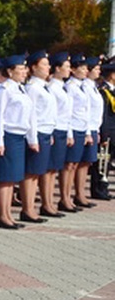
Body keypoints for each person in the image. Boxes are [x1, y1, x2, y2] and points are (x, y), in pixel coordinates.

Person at [0, 54, 37, 229]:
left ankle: (8, 214)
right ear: (10, 72)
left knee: (12, 178)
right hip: (8, 136)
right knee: (4, 178)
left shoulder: (20, 89)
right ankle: (2, 216)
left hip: (19, 137)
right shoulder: (4, 90)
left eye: (25, 69)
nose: (25, 72)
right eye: (21, 69)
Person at [21, 51, 55, 222]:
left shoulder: (43, 86)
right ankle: (27, 209)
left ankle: (31, 208)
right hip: (37, 132)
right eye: (44, 64)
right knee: (31, 173)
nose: (48, 67)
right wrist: (33, 138)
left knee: (37, 173)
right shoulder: (33, 88)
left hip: (45, 132)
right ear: (34, 67)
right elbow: (31, 115)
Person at [61, 54, 91, 213]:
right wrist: (70, 133)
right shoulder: (71, 87)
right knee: (68, 165)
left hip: (81, 127)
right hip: (72, 127)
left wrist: (87, 131)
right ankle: (64, 197)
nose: (86, 71)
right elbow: (69, 112)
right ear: (73, 70)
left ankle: (70, 196)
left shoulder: (82, 86)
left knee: (74, 164)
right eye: (82, 68)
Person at [46, 52, 73, 216]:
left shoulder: (62, 87)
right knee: (49, 169)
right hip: (54, 129)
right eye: (67, 66)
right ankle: (47, 203)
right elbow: (52, 113)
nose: (69, 70)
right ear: (57, 68)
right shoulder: (52, 88)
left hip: (63, 129)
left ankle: (52, 203)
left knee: (55, 168)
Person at [75, 56, 102, 208]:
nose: (98, 71)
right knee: (79, 163)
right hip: (85, 127)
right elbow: (85, 110)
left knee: (86, 163)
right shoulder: (84, 86)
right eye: (95, 69)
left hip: (91, 127)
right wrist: (88, 132)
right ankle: (78, 194)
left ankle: (81, 194)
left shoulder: (92, 86)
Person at [92, 62, 115, 200]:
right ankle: (98, 188)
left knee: (108, 161)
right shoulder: (103, 91)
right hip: (107, 130)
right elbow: (104, 115)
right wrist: (104, 133)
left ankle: (104, 188)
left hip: (113, 131)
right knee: (101, 161)